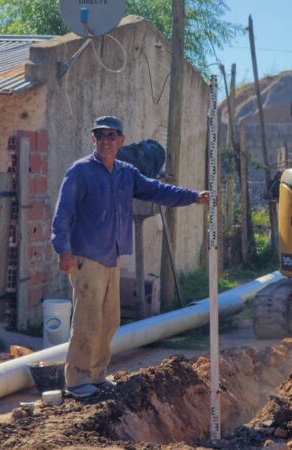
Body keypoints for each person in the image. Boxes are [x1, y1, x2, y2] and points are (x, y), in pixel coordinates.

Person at [51, 116, 209, 399]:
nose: (106, 141)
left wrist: (194, 197)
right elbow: (63, 214)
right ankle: (76, 380)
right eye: (100, 136)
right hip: (87, 258)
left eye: (111, 136)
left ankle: (97, 376)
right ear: (94, 140)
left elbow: (158, 190)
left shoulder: (126, 173)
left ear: (121, 140)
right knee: (88, 320)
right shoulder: (80, 172)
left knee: (109, 321)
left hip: (112, 257)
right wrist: (63, 250)